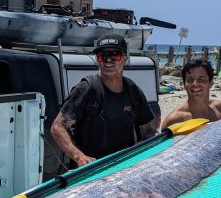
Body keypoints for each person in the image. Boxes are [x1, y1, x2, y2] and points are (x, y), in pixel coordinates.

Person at [51, 34, 156, 167]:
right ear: (97, 60)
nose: (108, 60)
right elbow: (57, 127)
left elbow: (149, 132)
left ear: (125, 59)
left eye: (115, 55)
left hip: (123, 167)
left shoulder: (132, 90)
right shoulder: (87, 89)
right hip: (92, 170)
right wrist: (80, 158)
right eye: (102, 56)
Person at [161, 58, 221, 128]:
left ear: (211, 83)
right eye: (190, 80)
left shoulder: (220, 108)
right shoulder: (174, 120)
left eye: (201, 79)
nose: (195, 84)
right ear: (184, 84)